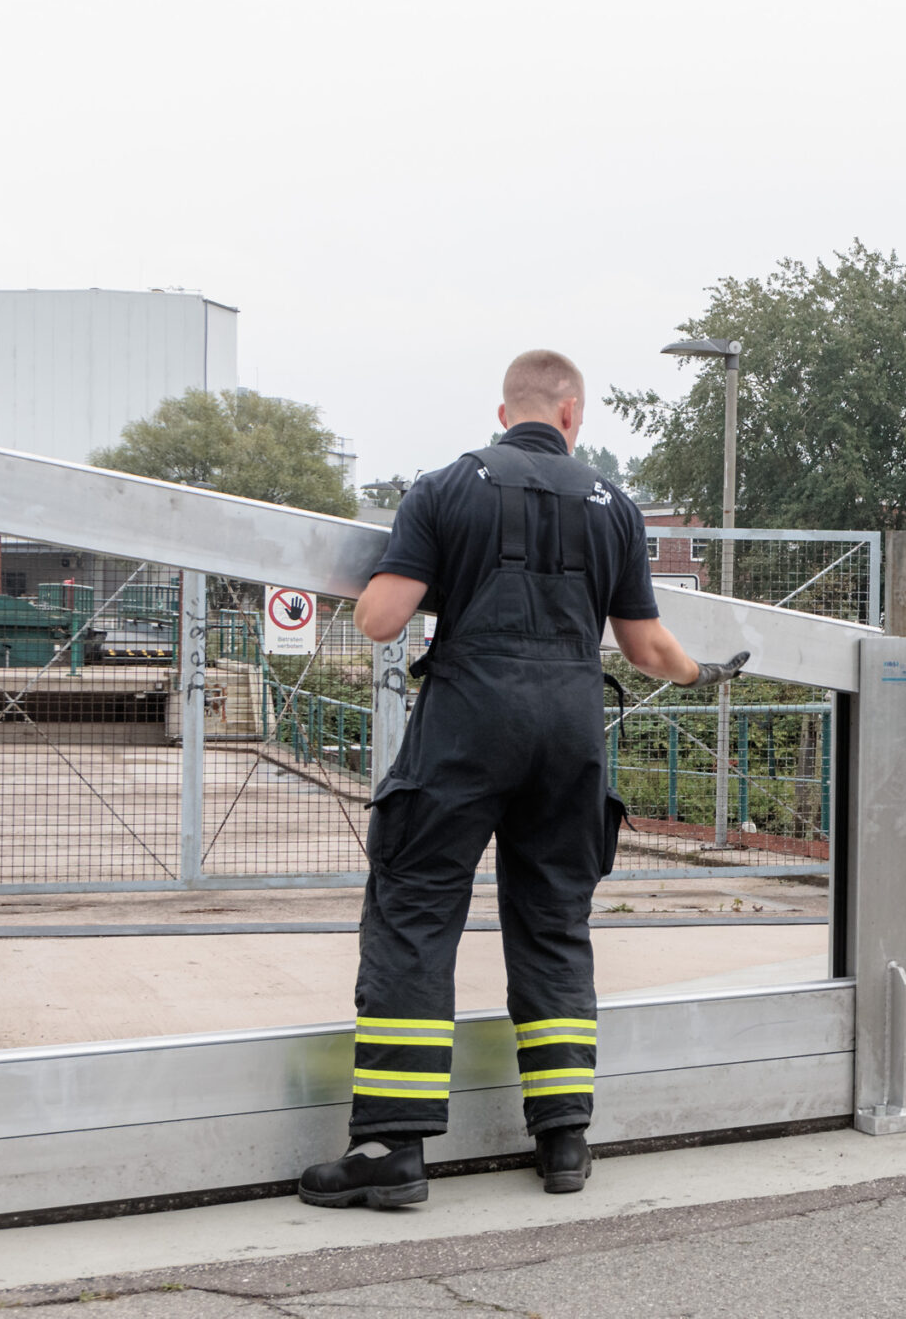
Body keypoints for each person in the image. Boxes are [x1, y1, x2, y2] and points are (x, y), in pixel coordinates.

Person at [298, 350, 746, 1209]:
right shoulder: (616, 507)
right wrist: (702, 674)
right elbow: (648, 647)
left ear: (504, 414)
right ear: (572, 415)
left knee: (417, 912)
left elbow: (382, 619)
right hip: (570, 734)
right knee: (552, 920)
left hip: (467, 726)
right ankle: (564, 1140)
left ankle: (392, 1148)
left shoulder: (444, 488)